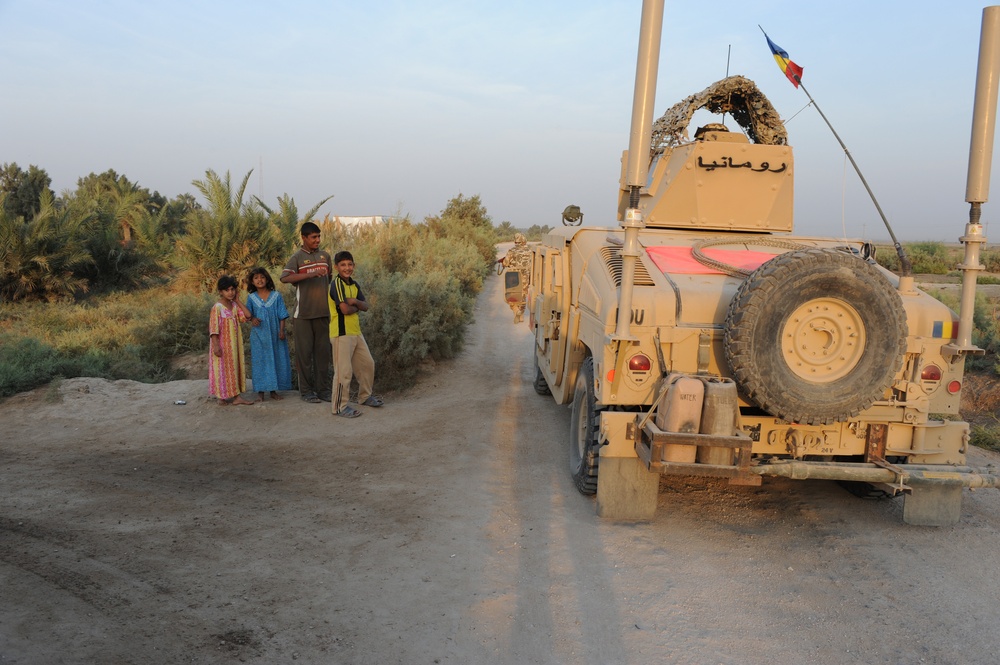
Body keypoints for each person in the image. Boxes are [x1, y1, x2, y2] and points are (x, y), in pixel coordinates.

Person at [280, 222, 333, 404]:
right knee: (304, 356)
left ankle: (323, 391)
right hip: (302, 315)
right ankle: (307, 392)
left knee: (323, 355)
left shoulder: (325, 256)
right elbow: (285, 277)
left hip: (323, 314)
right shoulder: (297, 258)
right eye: (313, 237)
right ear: (304, 238)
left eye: (319, 237)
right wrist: (309, 274)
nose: (317, 240)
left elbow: (329, 280)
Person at [328, 250, 382, 418]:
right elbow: (344, 309)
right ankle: (339, 407)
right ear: (336, 267)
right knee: (343, 372)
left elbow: (365, 306)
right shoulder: (336, 284)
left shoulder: (354, 285)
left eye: (350, 264)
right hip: (341, 333)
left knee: (368, 364)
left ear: (354, 265)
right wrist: (354, 307)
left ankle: (365, 397)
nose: (347, 268)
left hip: (356, 332)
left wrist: (355, 302)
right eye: (343, 265)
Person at [246, 267, 293, 402]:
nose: (259, 280)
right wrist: (252, 319)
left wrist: (281, 330)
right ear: (252, 282)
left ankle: (273, 391)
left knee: (275, 359)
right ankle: (260, 392)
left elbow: (282, 315)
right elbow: (247, 314)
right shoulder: (251, 298)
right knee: (260, 361)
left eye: (262, 277)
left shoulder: (276, 296)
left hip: (275, 334)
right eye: (256, 278)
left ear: (267, 279)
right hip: (259, 336)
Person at [209, 275, 254, 406]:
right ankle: (221, 397)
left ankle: (236, 397)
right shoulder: (217, 307)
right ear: (220, 291)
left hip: (235, 345)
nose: (230, 292)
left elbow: (248, 316)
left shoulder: (234, 306)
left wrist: (238, 301)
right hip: (222, 344)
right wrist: (216, 346)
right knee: (221, 369)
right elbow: (213, 329)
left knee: (234, 368)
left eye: (232, 289)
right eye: (227, 290)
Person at [500, 233, 532, 323]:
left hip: (514, 276)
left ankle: (515, 310)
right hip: (525, 276)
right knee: (523, 295)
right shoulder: (530, 251)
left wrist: (503, 263)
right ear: (524, 241)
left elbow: (505, 263)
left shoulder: (512, 251)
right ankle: (521, 315)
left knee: (512, 295)